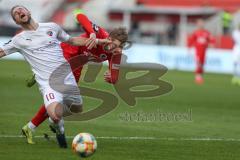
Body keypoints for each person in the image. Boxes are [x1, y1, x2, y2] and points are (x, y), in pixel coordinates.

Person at [0, 5, 109, 148]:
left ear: (29, 11)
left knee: (77, 109)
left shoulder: (52, 27)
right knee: (55, 114)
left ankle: (55, 122)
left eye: (21, 9)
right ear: (16, 21)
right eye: (15, 13)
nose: (19, 12)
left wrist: (99, 41)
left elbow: (72, 41)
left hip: (67, 77)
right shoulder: (18, 40)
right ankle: (58, 125)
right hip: (48, 83)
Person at [21, 9, 129, 145]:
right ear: (108, 36)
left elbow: (114, 77)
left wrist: (111, 78)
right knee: (56, 94)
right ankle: (33, 126)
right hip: (66, 53)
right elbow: (79, 14)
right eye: (111, 40)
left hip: (77, 66)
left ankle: (47, 119)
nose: (111, 45)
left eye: (116, 45)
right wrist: (91, 33)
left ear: (120, 47)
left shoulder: (116, 54)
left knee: (71, 104)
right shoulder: (99, 33)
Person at [188, 19, 215, 84]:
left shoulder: (206, 32)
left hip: (204, 51)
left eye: (202, 23)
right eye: (199, 23)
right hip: (198, 51)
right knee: (198, 62)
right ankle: (197, 77)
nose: (201, 25)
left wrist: (211, 44)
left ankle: (200, 76)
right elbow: (191, 40)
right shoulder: (196, 32)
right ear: (197, 24)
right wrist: (189, 47)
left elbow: (211, 39)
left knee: (202, 63)